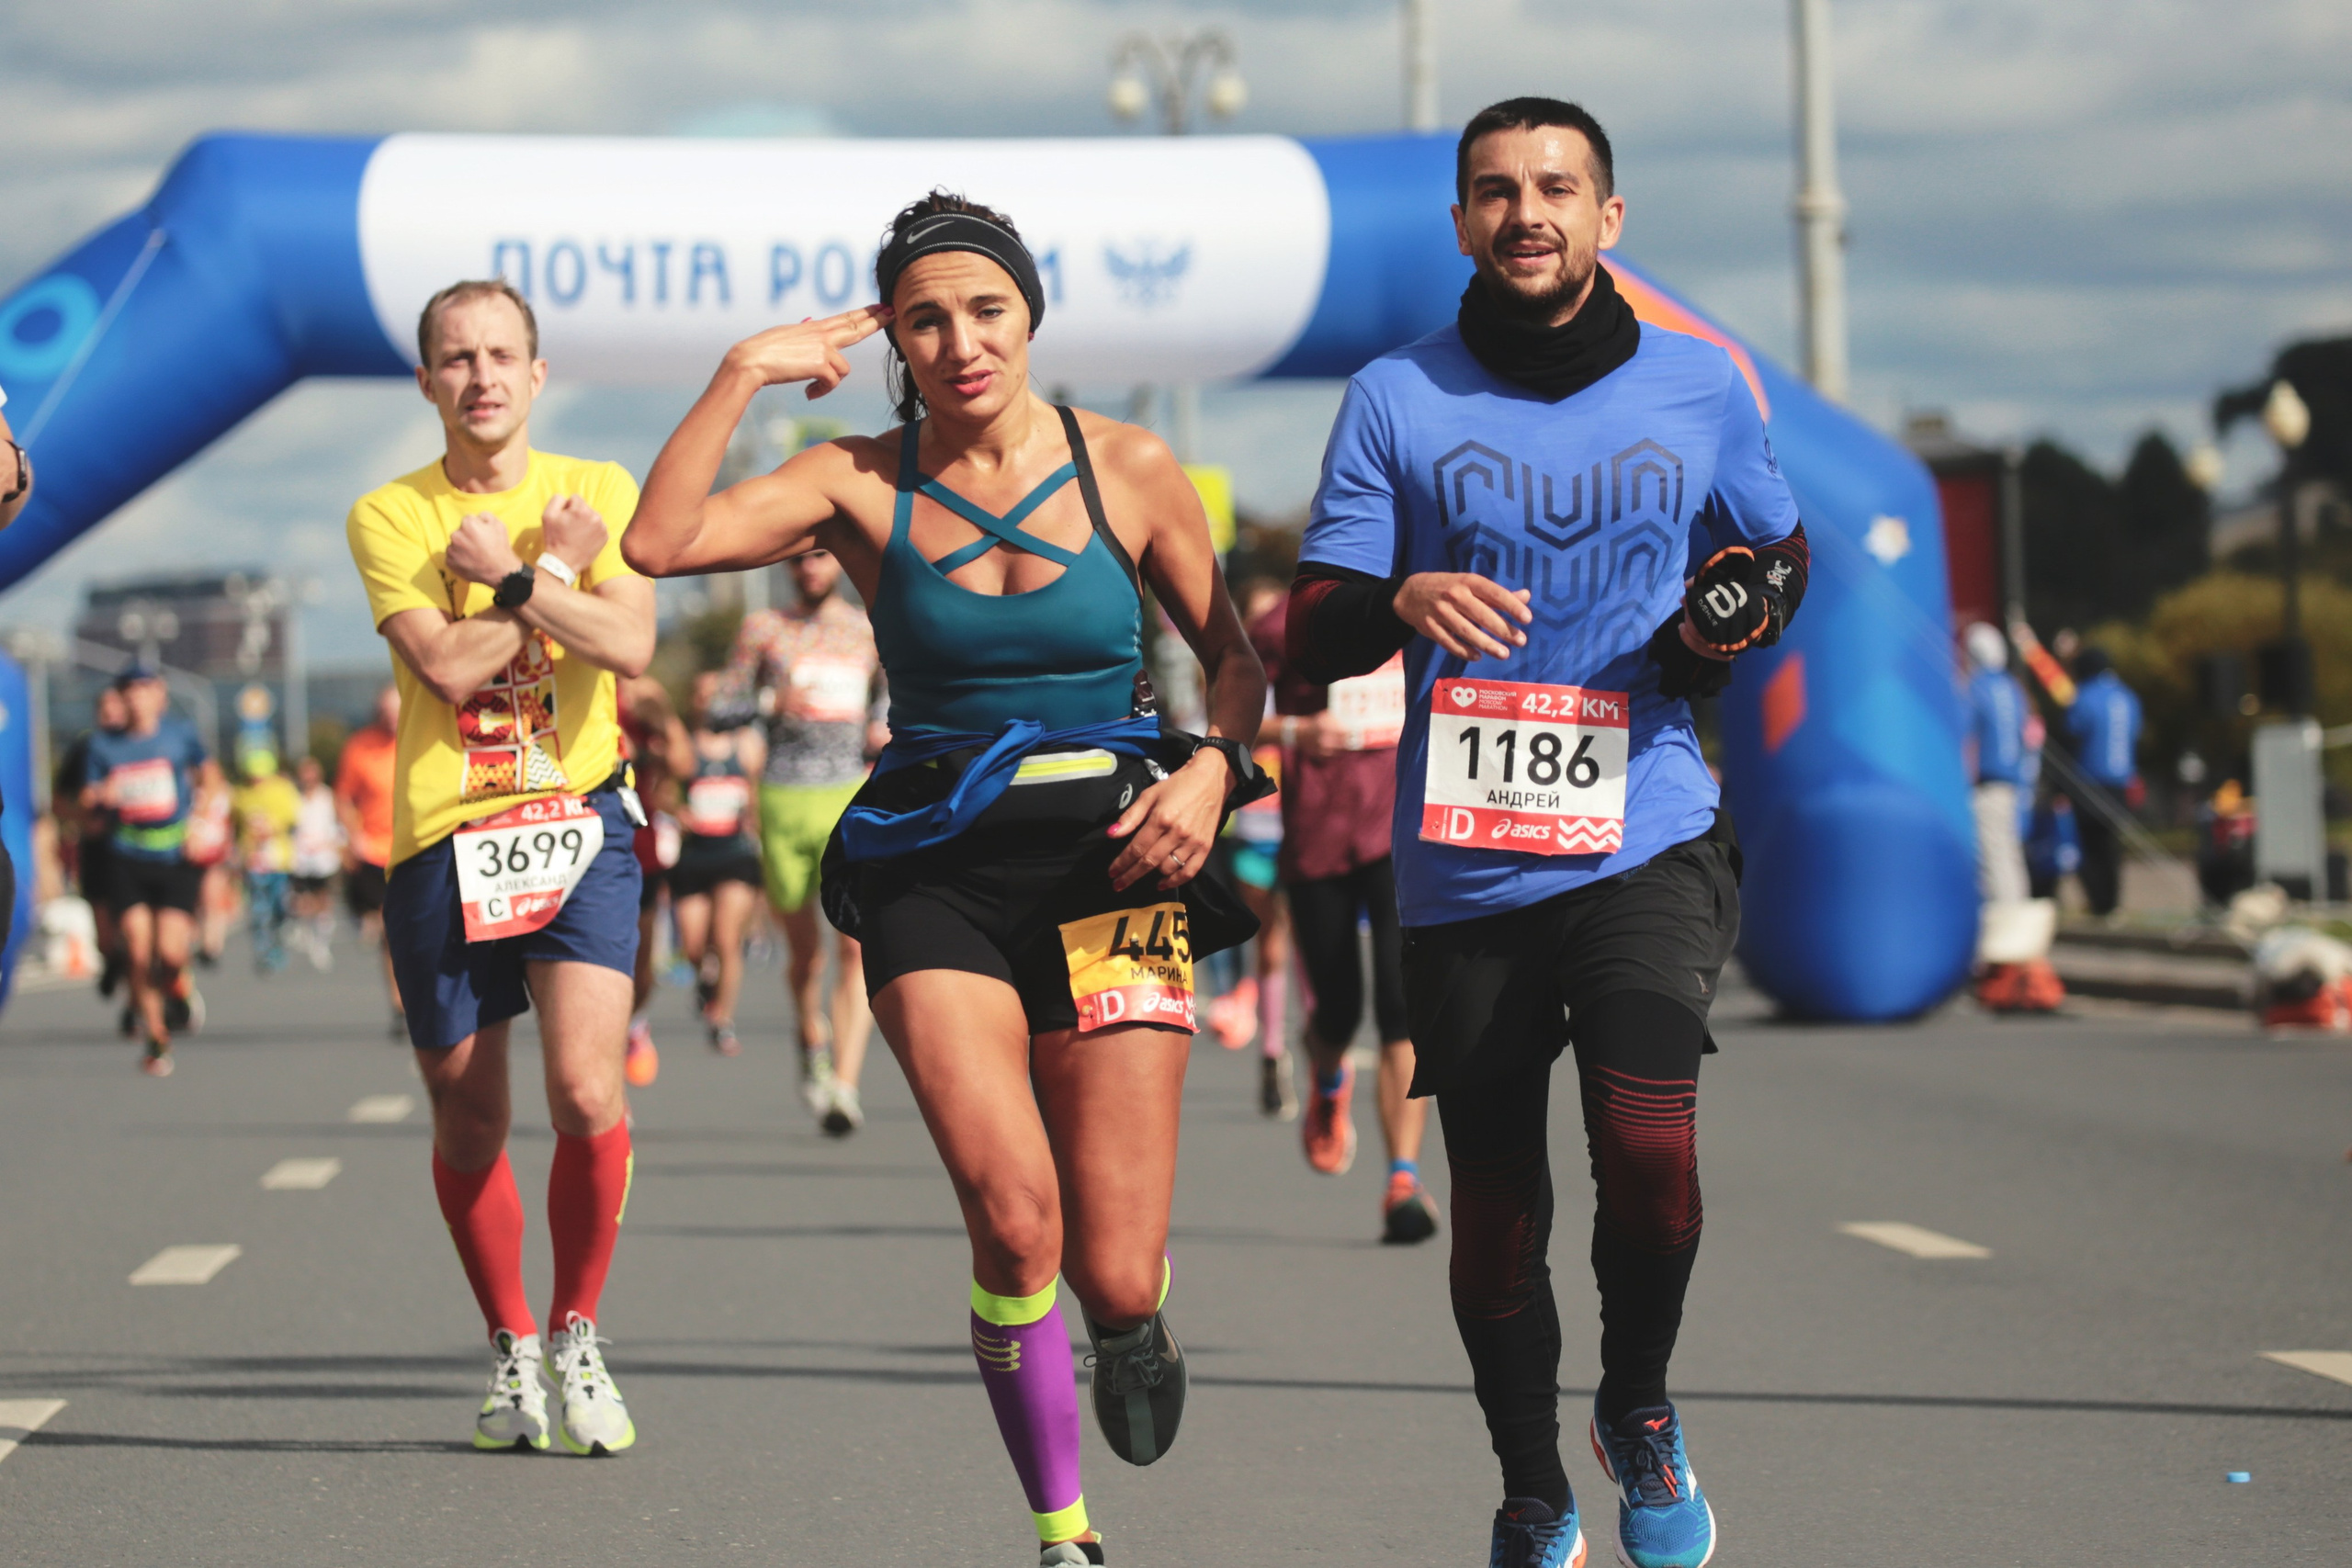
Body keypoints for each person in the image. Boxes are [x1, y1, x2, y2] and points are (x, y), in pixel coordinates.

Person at [624, 190, 1269, 1566]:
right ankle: (1063, 1531)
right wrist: (744, 370)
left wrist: (1212, 769)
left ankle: (1134, 1316)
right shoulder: (859, 477)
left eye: (985, 309)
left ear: (1030, 313)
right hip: (935, 866)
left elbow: (1235, 660)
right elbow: (657, 546)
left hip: (1118, 866)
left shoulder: (1133, 466)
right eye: (924, 318)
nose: (959, 340)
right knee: (1015, 1216)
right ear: (895, 340)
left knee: (1107, 1262)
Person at [1289, 99, 1813, 1568]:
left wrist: (1732, 619)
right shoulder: (1396, 394)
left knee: (1650, 1140)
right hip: (1466, 855)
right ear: (1461, 221)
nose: (1528, 212)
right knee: (1496, 1208)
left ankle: (1636, 1404)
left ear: (1609, 219)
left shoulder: (1702, 386)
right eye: (1497, 191)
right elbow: (1308, 626)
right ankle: (1532, 1481)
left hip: (1644, 820)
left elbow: (1775, 556)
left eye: (1558, 188)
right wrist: (1393, 598)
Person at [345, 276, 657, 1457]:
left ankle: (579, 1332)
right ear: (427, 382)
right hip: (443, 836)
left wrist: (524, 585)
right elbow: (447, 669)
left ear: (537, 373)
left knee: (587, 1090)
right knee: (469, 1117)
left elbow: (630, 644)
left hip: (578, 816)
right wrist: (554, 586)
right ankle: (512, 1345)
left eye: (501, 355)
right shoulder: (389, 515)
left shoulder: (601, 491)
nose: (480, 376)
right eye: (456, 358)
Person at [1250, 586, 1438, 1242]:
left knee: (1400, 1006)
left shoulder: (1422, 602)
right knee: (1337, 1007)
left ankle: (1404, 1179)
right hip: (1318, 839)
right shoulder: (1283, 622)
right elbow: (1230, 709)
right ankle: (1329, 1077)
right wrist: (1297, 730)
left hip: (1400, 836)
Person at [711, 547, 886, 1130]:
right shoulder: (764, 629)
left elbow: (895, 702)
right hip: (784, 797)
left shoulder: (866, 630)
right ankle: (810, 1032)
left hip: (846, 795)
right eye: (798, 561)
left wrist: (884, 728)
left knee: (855, 945)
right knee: (805, 951)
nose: (810, 569)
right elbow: (719, 705)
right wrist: (767, 701)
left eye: (820, 557)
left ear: (837, 562)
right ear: (785, 569)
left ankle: (845, 1084)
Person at [83, 666, 220, 1075]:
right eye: (128, 692)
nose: (136, 699)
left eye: (144, 690)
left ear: (160, 695)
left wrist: (202, 821)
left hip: (176, 853)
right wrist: (101, 795)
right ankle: (156, 1035)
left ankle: (177, 984)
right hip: (126, 855)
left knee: (170, 952)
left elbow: (211, 778)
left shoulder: (180, 734)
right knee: (138, 950)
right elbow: (88, 795)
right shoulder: (102, 746)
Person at [1963, 624, 2063, 1011]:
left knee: (1990, 865)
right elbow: (2028, 742)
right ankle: (2018, 942)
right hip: (2015, 786)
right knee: (2010, 861)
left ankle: (2002, 950)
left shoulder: (1976, 689)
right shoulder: (2014, 691)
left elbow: (1964, 737)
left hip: (1987, 787)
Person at [672, 671, 766, 1059]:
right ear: (692, 700)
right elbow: (662, 793)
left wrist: (755, 822)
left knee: (726, 939)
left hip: (736, 855)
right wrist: (675, 811)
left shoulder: (744, 745)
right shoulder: (682, 745)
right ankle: (705, 980)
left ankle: (721, 1019)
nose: (709, 701)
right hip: (694, 855)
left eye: (717, 694)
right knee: (695, 948)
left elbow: (759, 795)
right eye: (702, 694)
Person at [616, 673, 691, 1089]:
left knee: (641, 969)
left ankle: (634, 1024)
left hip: (636, 847)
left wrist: (663, 716)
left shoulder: (641, 695)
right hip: (579, 849)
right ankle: (602, 1078)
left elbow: (683, 764)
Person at [55, 686, 130, 1013]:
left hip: (138, 850)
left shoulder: (146, 746)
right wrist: (84, 820)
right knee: (105, 936)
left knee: (138, 935)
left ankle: (141, 1006)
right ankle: (112, 963)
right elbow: (59, 801)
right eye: (103, 707)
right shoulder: (85, 748)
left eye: (116, 707)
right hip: (99, 851)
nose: (110, 714)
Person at [336, 682, 404, 1032]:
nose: (391, 720)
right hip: (376, 851)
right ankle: (399, 1004)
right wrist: (353, 837)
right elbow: (344, 797)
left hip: (418, 847)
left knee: (422, 930)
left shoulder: (418, 738)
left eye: (398, 712)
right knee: (392, 931)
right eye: (385, 714)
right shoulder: (359, 747)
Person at [2064, 647, 2142, 918]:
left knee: (2090, 845)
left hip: (2090, 781)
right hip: (2121, 781)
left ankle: (2100, 903)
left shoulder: (2085, 696)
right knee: (2111, 844)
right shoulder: (2127, 697)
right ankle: (2113, 902)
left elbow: (2073, 734)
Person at [231, 749, 302, 974]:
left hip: (278, 859)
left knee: (278, 905)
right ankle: (266, 953)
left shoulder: (283, 789)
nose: (256, 780)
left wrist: (271, 826)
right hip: (252, 860)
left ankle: (280, 937)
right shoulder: (240, 793)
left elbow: (293, 818)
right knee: (259, 909)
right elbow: (235, 824)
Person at [288, 753, 345, 969]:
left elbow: (340, 825)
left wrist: (336, 844)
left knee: (323, 900)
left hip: (324, 859)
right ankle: (304, 931)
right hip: (300, 858)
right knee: (301, 900)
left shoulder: (328, 797)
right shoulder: (294, 797)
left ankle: (321, 941)